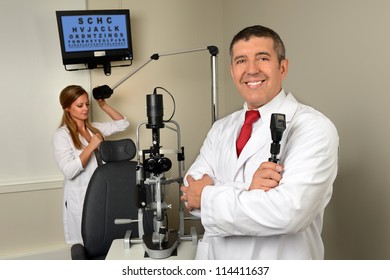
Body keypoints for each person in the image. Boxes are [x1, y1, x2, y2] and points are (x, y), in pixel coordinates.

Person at [180, 25, 339, 259]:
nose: (251, 70)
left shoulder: (314, 128)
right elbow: (190, 193)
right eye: (241, 61)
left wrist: (208, 195)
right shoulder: (220, 129)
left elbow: (288, 213)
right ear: (232, 71)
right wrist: (250, 188)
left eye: (262, 58)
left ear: (282, 68)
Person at [52, 85, 129, 245]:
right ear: (67, 108)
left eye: (87, 104)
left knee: (105, 238)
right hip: (81, 195)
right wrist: (91, 146)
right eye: (79, 105)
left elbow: (123, 124)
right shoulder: (61, 135)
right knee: (87, 243)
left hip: (102, 191)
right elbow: (69, 171)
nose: (85, 109)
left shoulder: (94, 128)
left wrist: (103, 105)